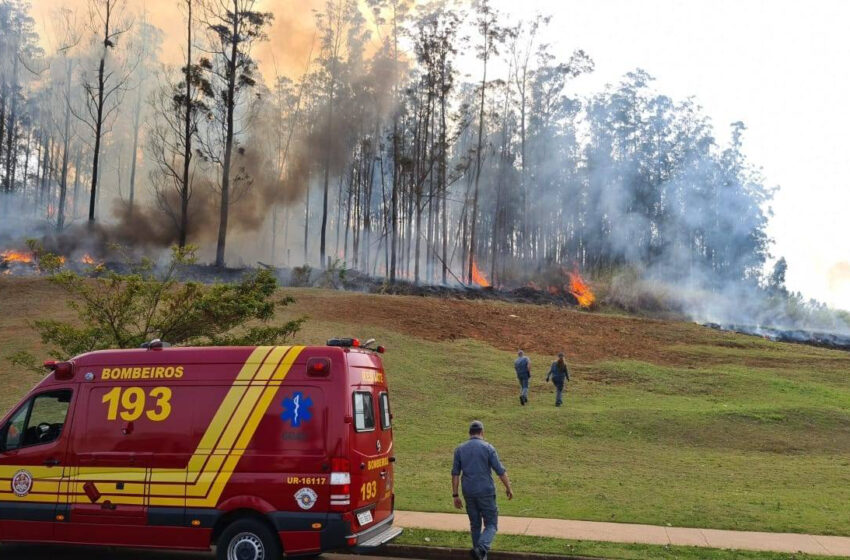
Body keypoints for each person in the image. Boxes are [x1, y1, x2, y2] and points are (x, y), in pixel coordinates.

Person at [452, 420, 513, 560]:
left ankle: (479, 556)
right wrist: (508, 487)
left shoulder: (460, 449)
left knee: (475, 526)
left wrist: (455, 495)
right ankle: (481, 548)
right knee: (491, 524)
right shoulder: (488, 448)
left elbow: (455, 473)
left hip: (468, 492)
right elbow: (500, 471)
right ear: (482, 432)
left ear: (469, 433)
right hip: (486, 491)